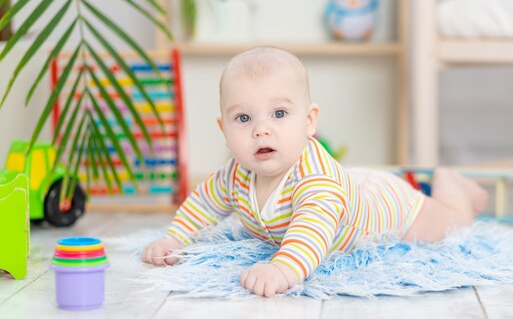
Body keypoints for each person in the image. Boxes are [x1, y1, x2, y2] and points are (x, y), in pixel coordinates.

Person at [142, 46, 488, 297]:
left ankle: (452, 184)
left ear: (309, 121)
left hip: (390, 206)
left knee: (454, 224)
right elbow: (204, 203)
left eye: (279, 114)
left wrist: (282, 268)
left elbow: (312, 232)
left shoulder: (315, 182)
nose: (261, 129)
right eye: (243, 118)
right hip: (353, 185)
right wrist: (175, 237)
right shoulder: (236, 174)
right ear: (224, 130)